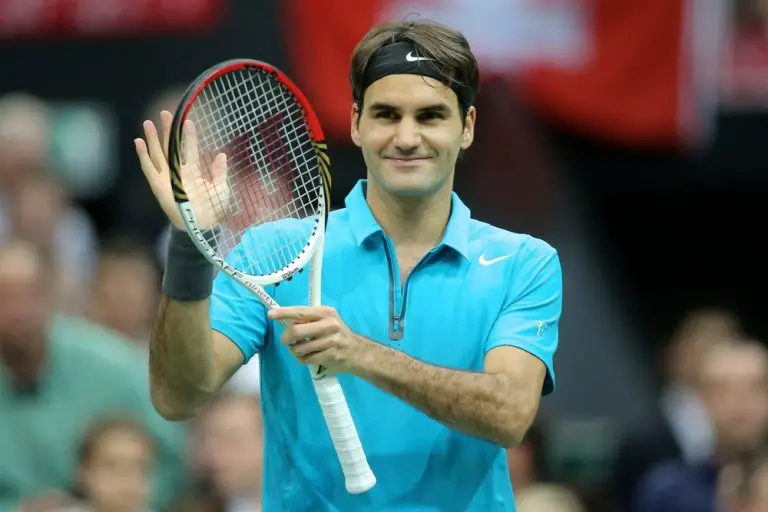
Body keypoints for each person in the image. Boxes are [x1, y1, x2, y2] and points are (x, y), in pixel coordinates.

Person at [134, 19, 562, 511]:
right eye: (386, 114)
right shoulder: (273, 251)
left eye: (429, 116)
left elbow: (509, 414)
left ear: (466, 127)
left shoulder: (523, 264)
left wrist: (359, 354)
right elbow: (178, 396)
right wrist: (189, 244)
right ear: (357, 122)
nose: (406, 137)